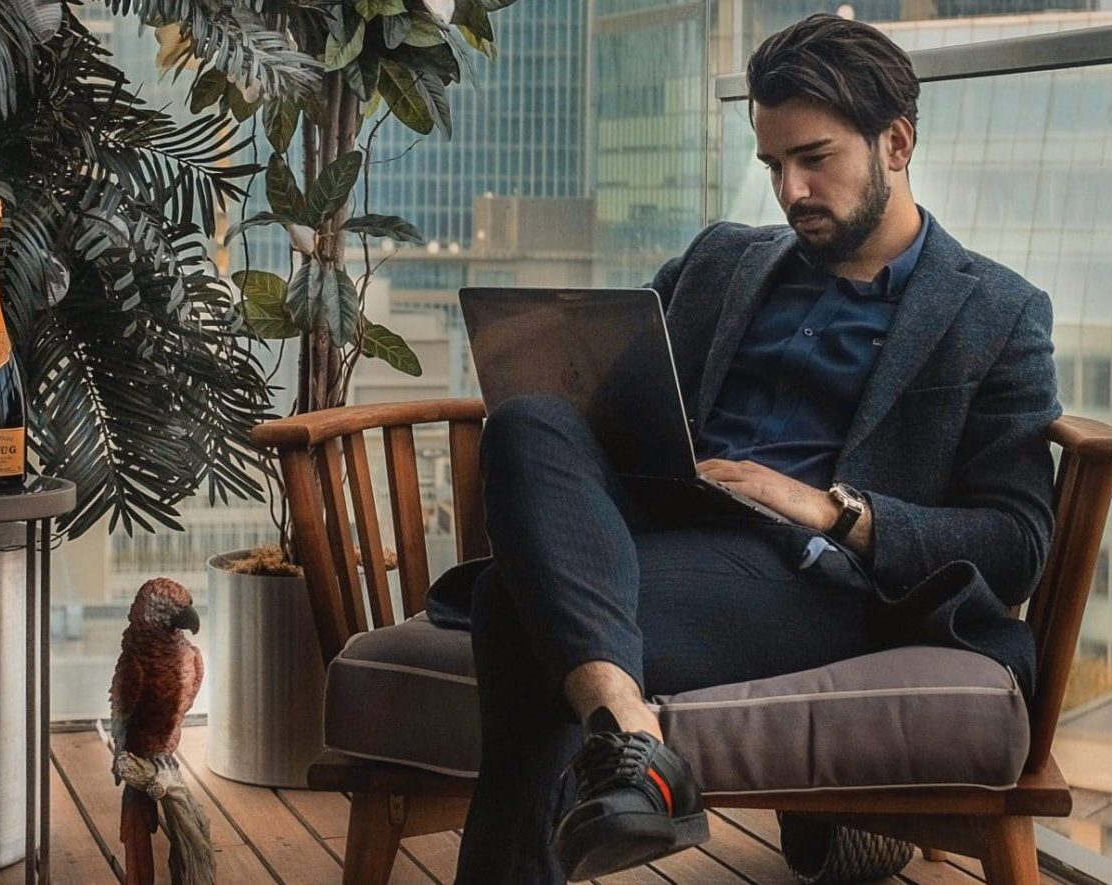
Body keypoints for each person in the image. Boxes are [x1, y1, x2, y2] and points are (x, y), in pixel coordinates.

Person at [425, 12, 1060, 884]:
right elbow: (608, 402)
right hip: (650, 530)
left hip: (809, 575)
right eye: (771, 165)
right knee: (532, 416)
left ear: (897, 142)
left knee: (509, 603)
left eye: (814, 157)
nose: (790, 189)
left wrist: (832, 510)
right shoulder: (722, 259)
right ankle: (630, 732)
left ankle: (618, 746)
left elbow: (1017, 542)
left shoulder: (995, 313)